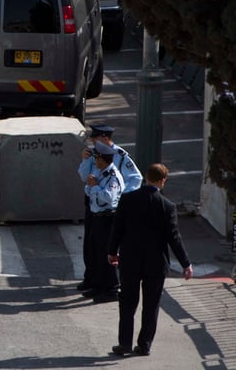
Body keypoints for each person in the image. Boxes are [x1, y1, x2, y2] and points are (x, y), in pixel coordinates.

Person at [107, 163, 194, 357]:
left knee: (128, 303)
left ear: (146, 177)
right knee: (151, 305)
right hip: (156, 264)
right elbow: (174, 238)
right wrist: (185, 264)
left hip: (130, 261)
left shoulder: (128, 199)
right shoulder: (167, 206)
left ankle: (124, 344)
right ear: (163, 181)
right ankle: (144, 344)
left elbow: (117, 229)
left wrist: (112, 251)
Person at [77, 124, 144, 294]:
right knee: (90, 246)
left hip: (109, 207)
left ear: (106, 138)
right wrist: (85, 160)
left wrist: (121, 199)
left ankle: (108, 283)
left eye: (96, 138)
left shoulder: (119, 156)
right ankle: (91, 278)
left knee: (106, 247)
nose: (93, 141)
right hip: (93, 205)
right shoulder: (95, 154)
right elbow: (85, 177)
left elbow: (136, 179)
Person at [82, 142, 123, 302]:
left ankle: (112, 288)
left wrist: (95, 186)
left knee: (107, 254)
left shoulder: (113, 176)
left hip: (108, 219)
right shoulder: (100, 173)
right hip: (96, 217)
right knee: (96, 253)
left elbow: (109, 197)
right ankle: (98, 285)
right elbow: (89, 189)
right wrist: (91, 184)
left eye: (97, 158)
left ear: (102, 159)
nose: (95, 161)